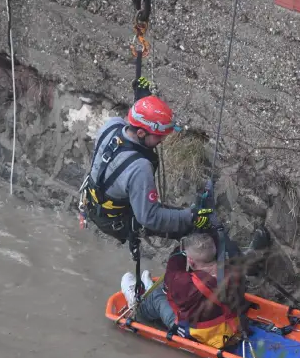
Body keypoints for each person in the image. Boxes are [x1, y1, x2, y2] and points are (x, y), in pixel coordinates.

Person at [79, 93, 215, 245]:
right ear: (141, 133)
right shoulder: (139, 167)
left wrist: (144, 103)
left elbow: (131, 120)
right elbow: (150, 217)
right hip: (118, 220)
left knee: (180, 216)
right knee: (190, 226)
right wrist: (191, 217)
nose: (162, 140)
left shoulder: (112, 125)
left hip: (93, 201)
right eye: (158, 136)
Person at [121, 228, 270, 349]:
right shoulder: (232, 269)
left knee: (158, 297)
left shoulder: (185, 283)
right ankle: (149, 288)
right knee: (173, 293)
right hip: (229, 327)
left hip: (200, 335)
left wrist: (180, 250)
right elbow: (220, 239)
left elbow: (171, 273)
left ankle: (136, 302)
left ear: (190, 261)